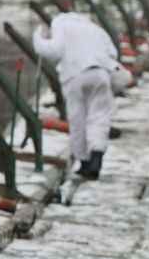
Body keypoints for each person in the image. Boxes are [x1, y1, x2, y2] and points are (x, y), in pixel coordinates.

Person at [34, 10, 120, 179]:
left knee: (77, 119)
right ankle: (96, 156)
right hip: (100, 74)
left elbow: (54, 51)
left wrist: (37, 37)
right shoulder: (95, 29)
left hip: (75, 76)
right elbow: (113, 53)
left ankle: (84, 162)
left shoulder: (60, 25)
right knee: (99, 116)